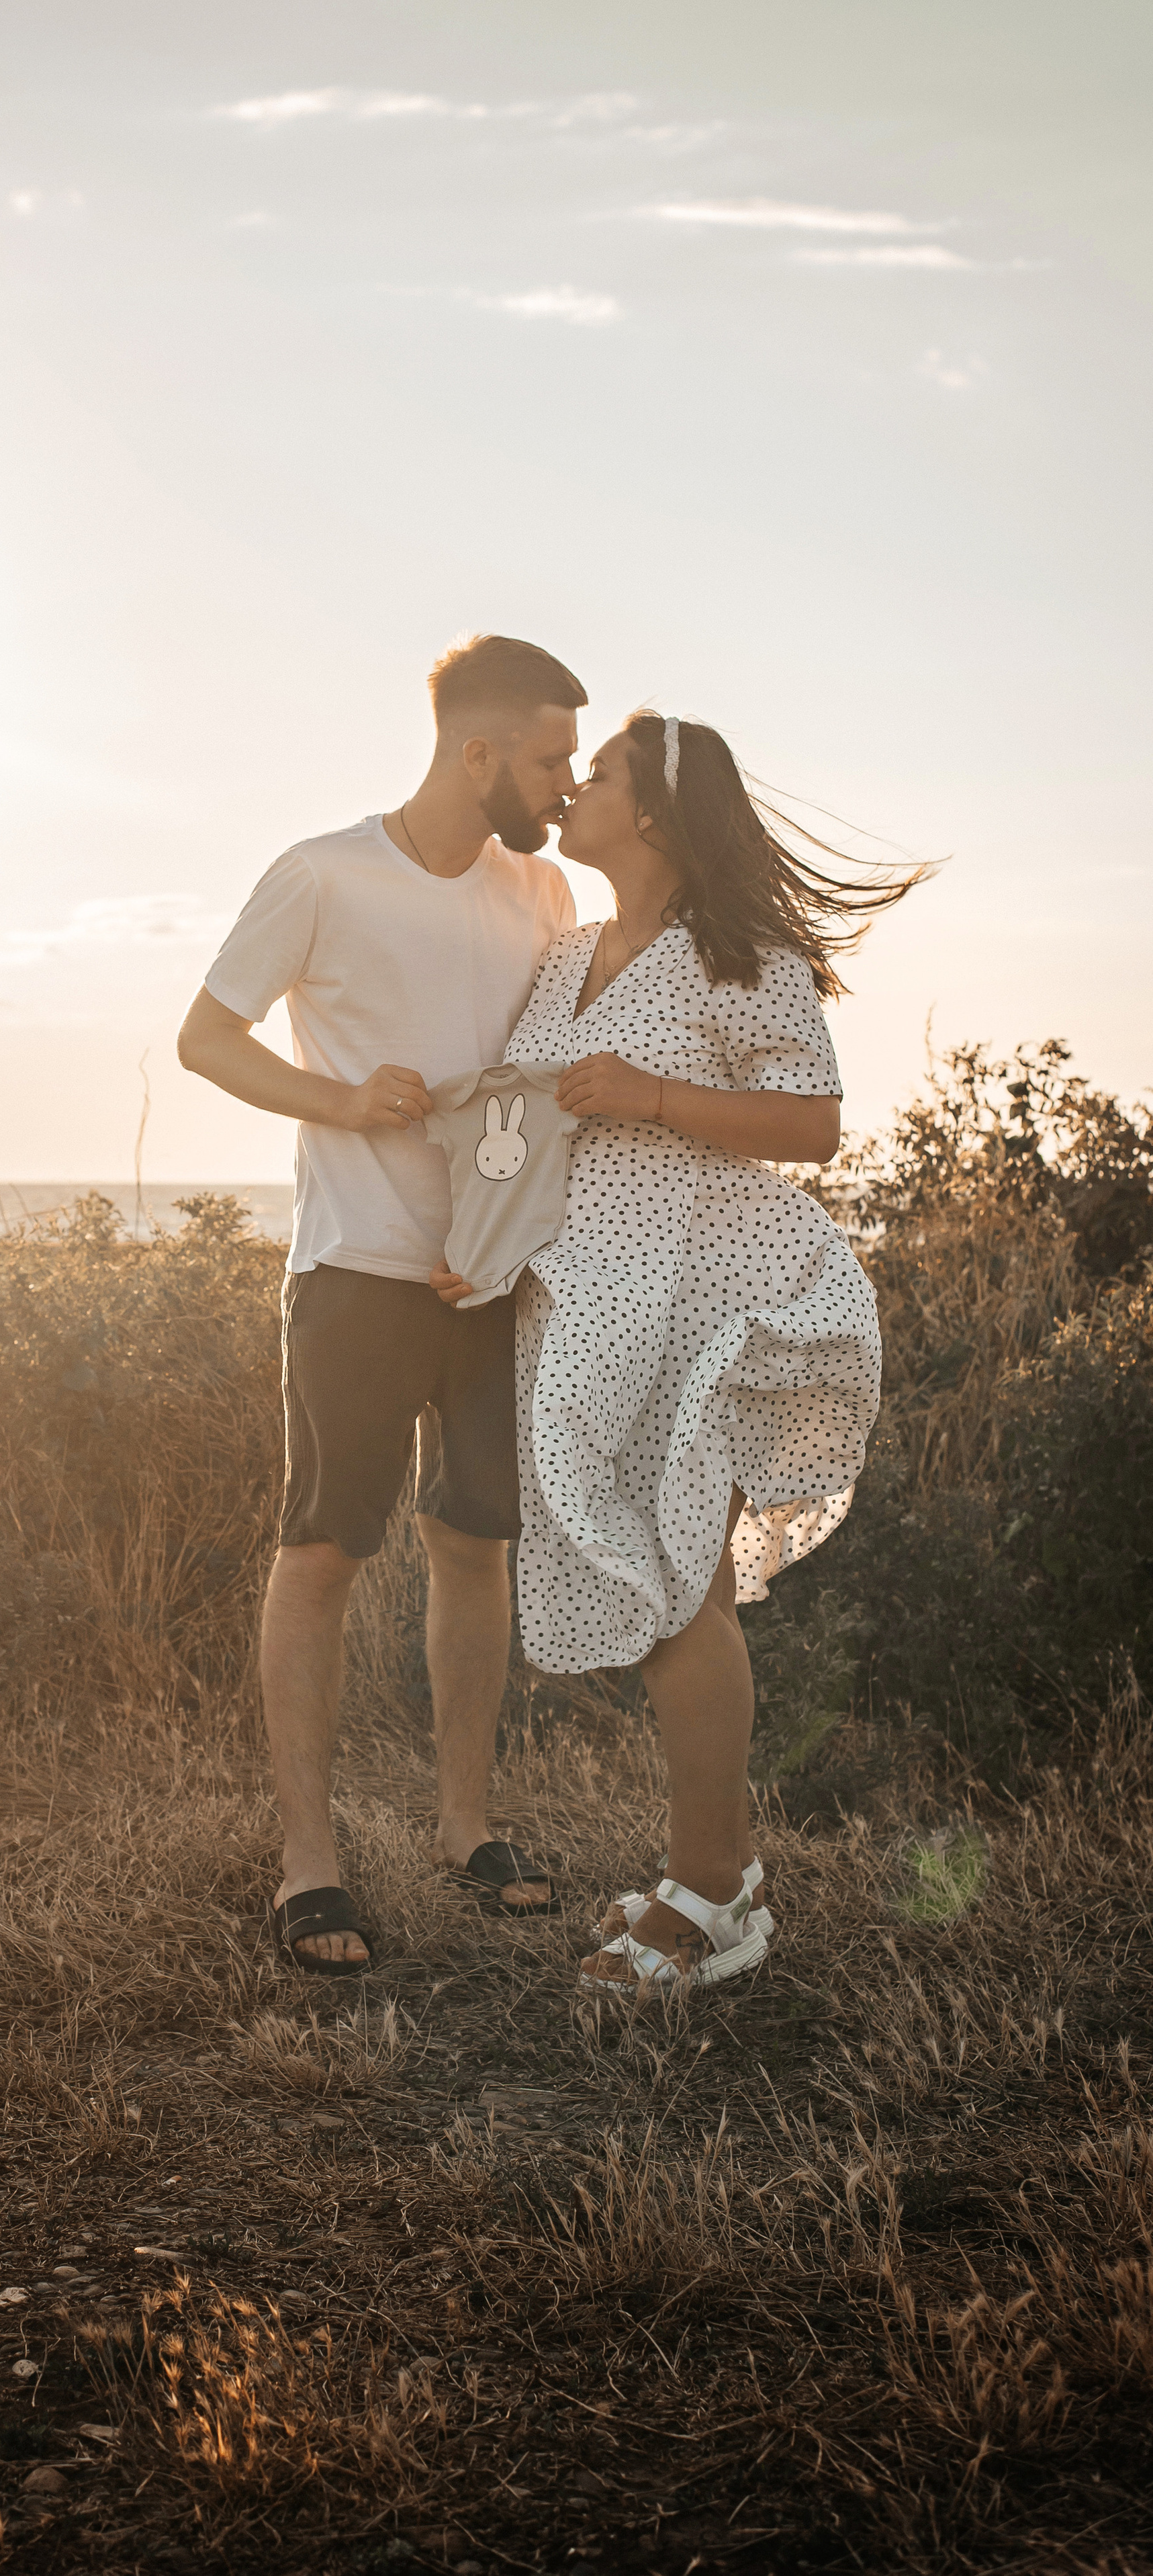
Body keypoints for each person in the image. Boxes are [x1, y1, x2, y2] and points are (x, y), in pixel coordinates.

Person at [434, 710, 927, 1992]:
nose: (574, 790)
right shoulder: (571, 953)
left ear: (650, 811)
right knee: (653, 1586)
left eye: (595, 777)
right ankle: (717, 1876)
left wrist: (646, 1094)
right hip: (589, 1304)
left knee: (674, 1593)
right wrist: (478, 1250)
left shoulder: (740, 952)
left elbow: (814, 1123)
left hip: (714, 1301)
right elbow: (529, 1131)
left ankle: (716, 1897)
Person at [178, 634, 588, 1972]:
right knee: (322, 1551)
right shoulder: (320, 874)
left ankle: (465, 1826)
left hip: (490, 1277)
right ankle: (310, 1866)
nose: (564, 781)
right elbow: (208, 1036)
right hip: (355, 1269)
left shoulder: (544, 893)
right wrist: (339, 1099)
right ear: (476, 753)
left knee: (474, 1543)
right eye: (546, 756)